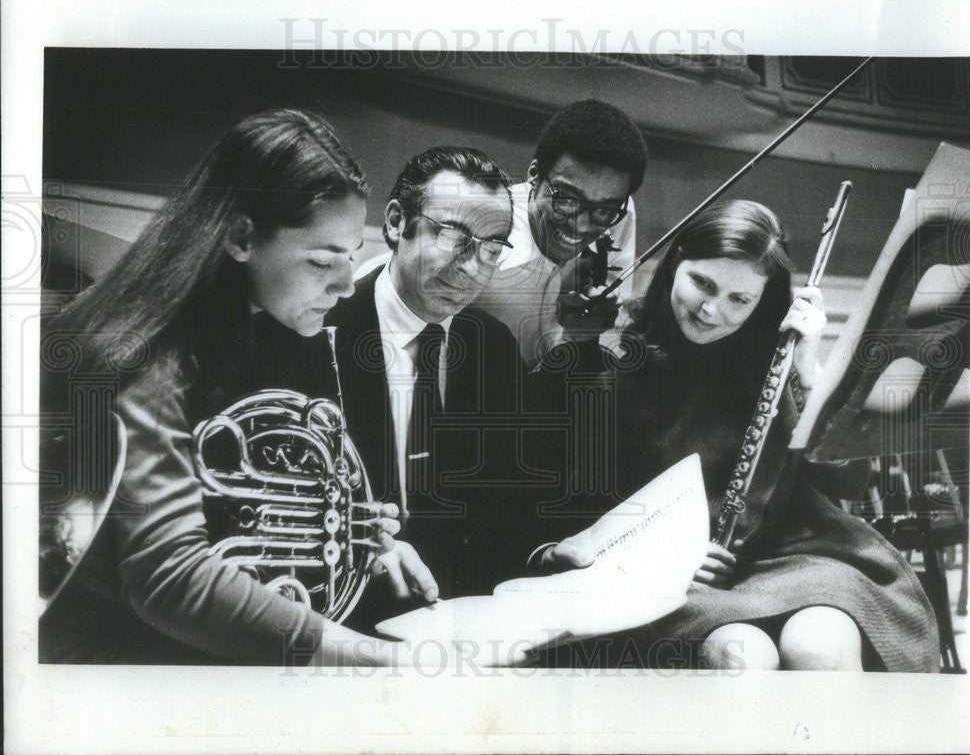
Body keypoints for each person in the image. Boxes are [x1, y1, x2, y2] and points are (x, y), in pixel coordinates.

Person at [38, 109, 436, 666]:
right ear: (240, 236)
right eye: (324, 260)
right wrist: (370, 656)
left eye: (351, 257)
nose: (347, 285)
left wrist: (358, 537)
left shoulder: (271, 328)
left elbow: (234, 502)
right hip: (115, 665)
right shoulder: (146, 352)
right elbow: (171, 577)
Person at [538, 199, 939, 672]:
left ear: (763, 301)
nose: (711, 310)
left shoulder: (780, 357)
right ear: (675, 265)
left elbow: (848, 483)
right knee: (743, 657)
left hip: (796, 558)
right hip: (671, 576)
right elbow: (572, 518)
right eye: (702, 283)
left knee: (823, 647)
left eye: (739, 300)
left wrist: (812, 372)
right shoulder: (613, 359)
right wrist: (659, 557)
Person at [321, 145, 546, 621]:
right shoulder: (319, 332)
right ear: (396, 223)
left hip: (465, 614)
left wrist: (543, 552)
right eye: (453, 236)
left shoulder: (493, 346)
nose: (471, 268)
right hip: (347, 611)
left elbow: (511, 504)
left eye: (490, 249)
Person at [355, 99, 649, 369]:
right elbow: (387, 282)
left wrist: (581, 335)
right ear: (534, 174)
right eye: (566, 200)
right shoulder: (487, 248)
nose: (582, 225)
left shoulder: (618, 213)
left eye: (603, 211)